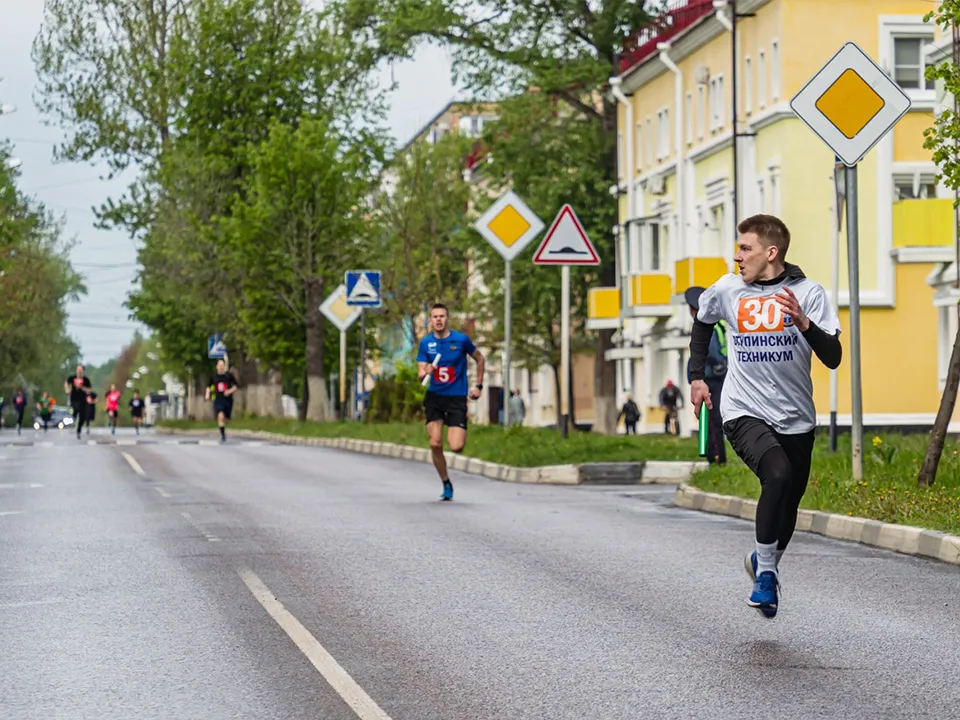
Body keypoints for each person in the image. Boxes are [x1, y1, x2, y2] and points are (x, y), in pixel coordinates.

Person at [689, 214, 842, 619]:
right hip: (743, 409)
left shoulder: (808, 293)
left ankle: (764, 562)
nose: (736, 256)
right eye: (737, 247)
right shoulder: (727, 289)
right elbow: (702, 323)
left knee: (789, 501)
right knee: (777, 475)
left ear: (770, 253)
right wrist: (697, 376)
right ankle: (767, 577)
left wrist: (804, 323)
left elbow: (833, 358)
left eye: (745, 248)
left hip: (795, 416)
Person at [416, 303, 485, 501]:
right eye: (435, 317)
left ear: (447, 319)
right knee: (435, 443)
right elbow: (421, 374)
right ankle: (446, 482)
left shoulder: (461, 340)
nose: (438, 320)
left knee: (456, 446)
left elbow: (480, 359)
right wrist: (426, 371)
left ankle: (460, 424)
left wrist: (478, 386)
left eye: (442, 316)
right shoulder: (426, 343)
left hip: (456, 397)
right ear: (430, 320)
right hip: (435, 397)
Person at [685, 286, 729, 465]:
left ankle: (717, 461)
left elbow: (710, 353)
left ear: (693, 309)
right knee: (712, 422)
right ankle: (716, 460)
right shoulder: (718, 325)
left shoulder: (705, 326)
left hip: (709, 380)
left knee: (711, 423)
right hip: (715, 379)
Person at [205, 359, 239, 442]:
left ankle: (227, 418)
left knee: (226, 419)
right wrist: (207, 394)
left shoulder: (228, 376)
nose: (221, 367)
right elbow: (209, 386)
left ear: (224, 366)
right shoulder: (213, 377)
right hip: (218, 399)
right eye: (219, 365)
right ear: (217, 366)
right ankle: (223, 435)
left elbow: (236, 386)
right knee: (220, 415)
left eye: (222, 365)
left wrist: (229, 391)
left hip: (228, 400)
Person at [65, 365, 92, 439]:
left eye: (81, 370)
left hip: (83, 399)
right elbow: (66, 382)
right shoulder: (73, 378)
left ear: (83, 371)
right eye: (78, 370)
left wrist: (82, 388)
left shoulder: (86, 380)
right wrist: (67, 389)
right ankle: (73, 418)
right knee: (76, 408)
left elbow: (89, 390)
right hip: (74, 398)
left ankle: (79, 430)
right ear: (76, 371)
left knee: (83, 416)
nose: (79, 371)